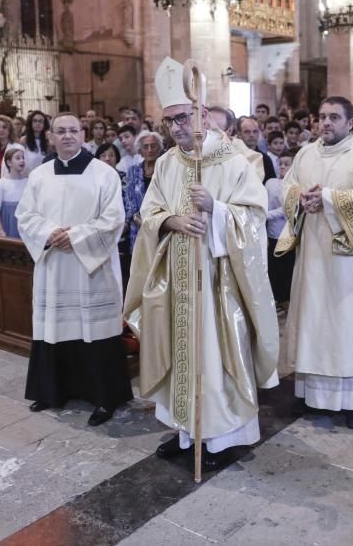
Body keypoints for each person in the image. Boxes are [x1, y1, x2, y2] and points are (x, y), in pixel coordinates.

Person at [124, 57, 279, 469]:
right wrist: (172, 220)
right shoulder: (170, 163)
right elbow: (149, 211)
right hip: (175, 280)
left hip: (217, 283)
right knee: (180, 357)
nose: (176, 128)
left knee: (213, 359)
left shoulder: (234, 163)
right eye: (169, 121)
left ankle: (220, 439)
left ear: (203, 115)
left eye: (182, 117)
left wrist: (218, 211)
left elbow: (255, 218)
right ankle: (186, 431)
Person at [281, 96, 353, 430]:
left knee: (351, 325)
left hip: (352, 265)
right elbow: (286, 187)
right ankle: (319, 398)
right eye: (321, 116)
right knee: (317, 322)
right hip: (315, 257)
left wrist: (327, 198)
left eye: (334, 117)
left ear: (350, 122)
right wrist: (299, 198)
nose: (325, 123)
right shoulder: (307, 152)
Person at [17, 113, 133, 426]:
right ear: (51, 137)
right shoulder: (39, 175)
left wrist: (76, 237)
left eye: (73, 131)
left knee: (94, 330)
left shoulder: (103, 174)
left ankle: (104, 397)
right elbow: (25, 216)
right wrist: (49, 233)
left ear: (83, 135)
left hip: (90, 268)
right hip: (54, 264)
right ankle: (52, 391)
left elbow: (114, 220)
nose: (67, 136)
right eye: (60, 131)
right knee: (55, 326)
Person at [123, 130, 162, 251]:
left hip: (161, 225)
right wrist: (137, 219)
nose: (150, 150)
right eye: (146, 147)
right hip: (138, 227)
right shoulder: (132, 171)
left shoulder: (165, 170)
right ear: (140, 150)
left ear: (159, 148)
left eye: (153, 146)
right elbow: (129, 201)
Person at [264, 150, 295, 305]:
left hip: (287, 233)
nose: (282, 167)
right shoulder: (271, 182)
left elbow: (286, 209)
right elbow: (265, 202)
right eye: (280, 164)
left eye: (286, 164)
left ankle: (285, 300)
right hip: (271, 232)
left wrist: (264, 215)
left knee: (286, 268)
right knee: (273, 268)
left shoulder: (294, 185)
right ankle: (274, 299)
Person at [0, 147, 28, 239]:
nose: (22, 160)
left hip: (24, 223)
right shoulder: (2, 183)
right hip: (7, 222)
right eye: (18, 158)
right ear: (9, 163)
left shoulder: (27, 181)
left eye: (23, 158)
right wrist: (0, 230)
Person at [237, 116, 276, 182]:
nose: (251, 135)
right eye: (247, 132)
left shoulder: (266, 159)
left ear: (258, 134)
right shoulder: (234, 158)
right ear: (240, 135)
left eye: (255, 131)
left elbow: (271, 184)